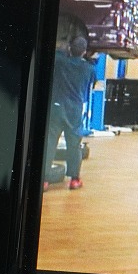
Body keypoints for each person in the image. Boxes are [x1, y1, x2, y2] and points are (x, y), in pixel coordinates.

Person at [44, 28, 97, 191]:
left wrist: (64, 47)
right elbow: (92, 83)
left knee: (50, 143)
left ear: (70, 49)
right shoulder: (89, 69)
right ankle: (74, 180)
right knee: (74, 145)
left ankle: (44, 180)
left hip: (56, 107)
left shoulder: (60, 62)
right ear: (84, 52)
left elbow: (56, 52)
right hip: (74, 110)